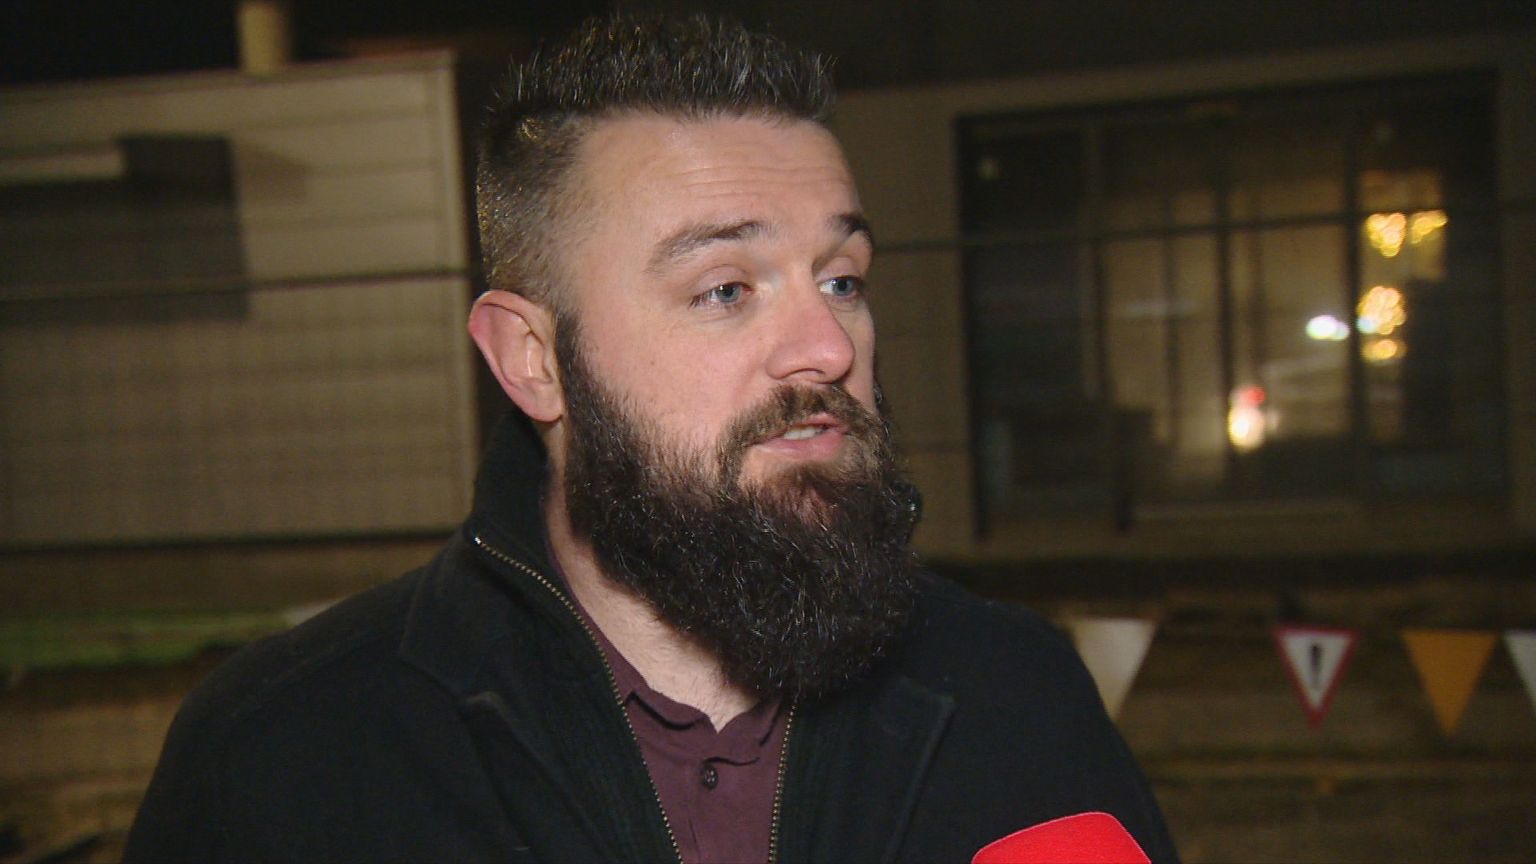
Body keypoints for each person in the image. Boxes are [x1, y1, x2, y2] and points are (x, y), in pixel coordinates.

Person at [126, 14, 1177, 863]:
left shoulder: (1015, 698)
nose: (826, 346)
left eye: (842, 279)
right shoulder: (287, 757)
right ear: (533, 359)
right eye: (726, 289)